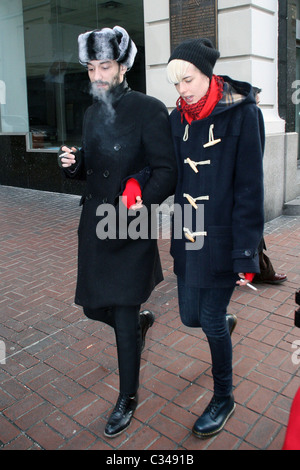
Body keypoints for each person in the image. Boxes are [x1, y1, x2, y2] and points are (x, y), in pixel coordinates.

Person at [58, 26, 177, 438]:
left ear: (124, 65)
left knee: (123, 315)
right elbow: (94, 164)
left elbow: (167, 171)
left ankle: (127, 396)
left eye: (105, 66)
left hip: (131, 223)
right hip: (95, 225)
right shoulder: (92, 111)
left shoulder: (149, 109)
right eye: (91, 67)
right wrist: (76, 164)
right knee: (93, 307)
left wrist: (141, 190)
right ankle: (138, 326)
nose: (97, 76)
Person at [166, 38, 264, 438]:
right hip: (189, 231)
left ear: (208, 74)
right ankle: (222, 323)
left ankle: (224, 396)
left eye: (187, 80)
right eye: (175, 84)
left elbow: (249, 189)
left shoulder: (243, 114)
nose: (182, 90)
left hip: (222, 238)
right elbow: (167, 172)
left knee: (206, 319)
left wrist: (246, 254)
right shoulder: (177, 119)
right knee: (191, 316)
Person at [252, 87, 287, 285]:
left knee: (253, 227)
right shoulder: (251, 115)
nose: (257, 105)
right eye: (256, 101)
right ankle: (260, 269)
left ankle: (261, 268)